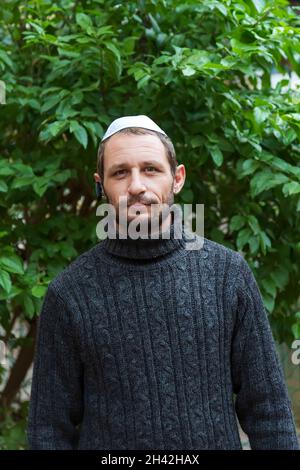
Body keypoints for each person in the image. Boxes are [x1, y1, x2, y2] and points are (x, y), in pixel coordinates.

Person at [27, 115, 299, 450]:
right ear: (101, 184)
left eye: (151, 169)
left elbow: (269, 412)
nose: (137, 185)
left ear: (177, 178)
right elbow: (49, 431)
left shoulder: (228, 275)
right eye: (120, 172)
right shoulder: (70, 293)